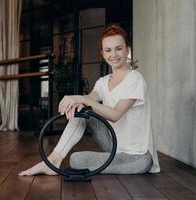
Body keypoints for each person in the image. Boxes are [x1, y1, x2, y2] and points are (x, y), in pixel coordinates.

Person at [18, 24, 160, 176]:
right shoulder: (103, 81)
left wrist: (81, 99)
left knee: (77, 160)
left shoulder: (135, 78)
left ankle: (55, 162)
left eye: (119, 48)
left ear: (127, 50)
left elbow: (115, 114)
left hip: (136, 156)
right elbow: (90, 98)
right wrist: (78, 100)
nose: (114, 54)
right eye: (108, 50)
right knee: (81, 109)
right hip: (114, 146)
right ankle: (53, 159)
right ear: (103, 54)